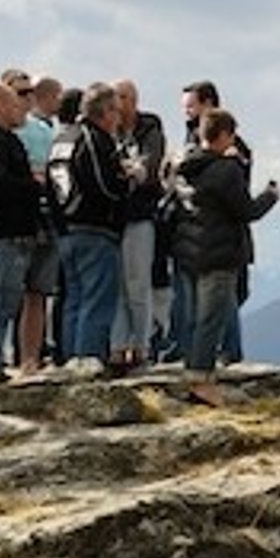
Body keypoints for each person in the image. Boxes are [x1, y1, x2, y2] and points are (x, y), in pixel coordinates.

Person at [171, 108, 278, 406]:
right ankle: (201, 380)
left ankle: (193, 371)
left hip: (190, 251)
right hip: (219, 252)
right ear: (224, 136)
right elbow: (246, 210)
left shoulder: (186, 168)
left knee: (195, 317)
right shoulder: (225, 170)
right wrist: (270, 195)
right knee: (211, 318)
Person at [47, 82, 126, 367]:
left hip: (66, 230)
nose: (119, 117)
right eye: (116, 110)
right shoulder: (92, 138)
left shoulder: (61, 139)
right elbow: (103, 186)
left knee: (74, 299)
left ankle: (71, 358)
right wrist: (126, 183)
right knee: (97, 299)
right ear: (104, 112)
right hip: (94, 227)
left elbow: (50, 185)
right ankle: (89, 358)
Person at [111, 78, 166, 371]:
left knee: (138, 284)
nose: (116, 104)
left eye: (121, 97)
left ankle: (141, 346)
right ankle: (118, 346)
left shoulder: (149, 128)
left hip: (140, 215)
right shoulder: (110, 131)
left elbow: (148, 166)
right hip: (115, 217)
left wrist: (134, 171)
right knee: (118, 285)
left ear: (133, 100)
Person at [0, 83, 40, 376]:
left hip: (15, 234)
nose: (20, 109)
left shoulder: (10, 140)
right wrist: (33, 185)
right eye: (13, 104)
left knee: (7, 305)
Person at [18, 75, 61, 369]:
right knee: (10, 294)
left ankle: (30, 358)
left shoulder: (45, 131)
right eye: (20, 92)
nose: (25, 98)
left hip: (43, 219)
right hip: (12, 224)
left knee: (37, 294)